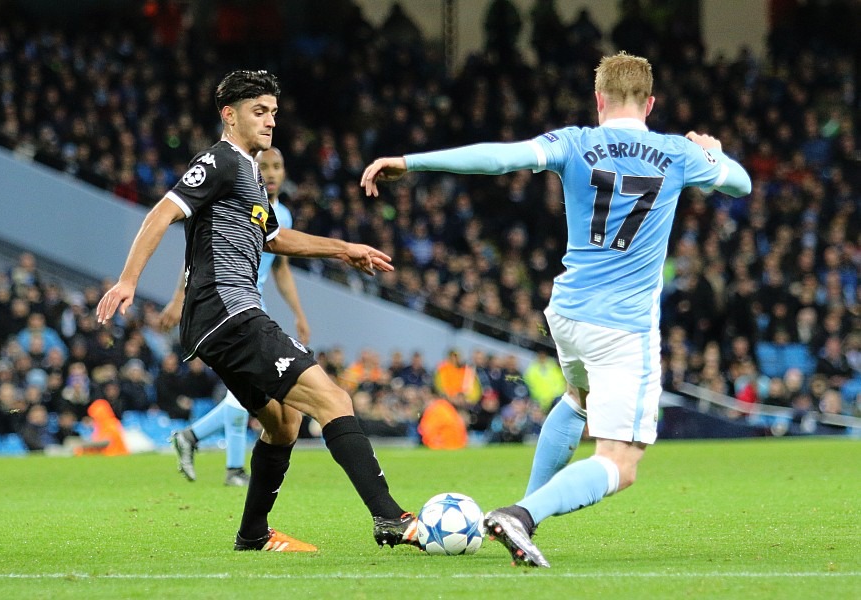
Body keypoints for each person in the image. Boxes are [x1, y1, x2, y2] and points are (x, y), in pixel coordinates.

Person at [361, 52, 752, 567]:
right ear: (651, 103)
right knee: (621, 462)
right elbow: (741, 183)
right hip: (622, 327)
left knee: (577, 397)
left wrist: (411, 162)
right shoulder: (677, 153)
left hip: (568, 311)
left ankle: (524, 516)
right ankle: (521, 515)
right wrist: (716, 153)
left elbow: (499, 158)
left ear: (598, 100)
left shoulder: (575, 142)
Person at [96, 70, 419, 553]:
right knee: (332, 399)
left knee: (283, 423)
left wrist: (343, 249)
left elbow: (275, 239)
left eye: (273, 112)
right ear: (229, 115)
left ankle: (252, 534)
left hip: (216, 320)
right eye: (258, 111)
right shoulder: (219, 160)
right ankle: (389, 517)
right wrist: (128, 279)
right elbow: (162, 211)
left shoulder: (249, 172)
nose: (270, 121)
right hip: (229, 310)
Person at [163, 146, 311, 488]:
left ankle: (196, 441)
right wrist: (177, 298)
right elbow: (196, 254)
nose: (272, 173)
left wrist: (299, 313)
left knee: (248, 394)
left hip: (254, 309)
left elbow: (281, 269)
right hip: (224, 307)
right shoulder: (235, 201)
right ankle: (227, 465)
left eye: (278, 166)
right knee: (248, 394)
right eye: (265, 166)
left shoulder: (282, 216)